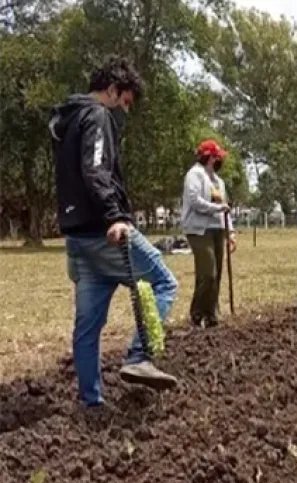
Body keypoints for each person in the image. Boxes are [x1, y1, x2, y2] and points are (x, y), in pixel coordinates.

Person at [49, 55, 178, 406]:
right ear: (112, 90)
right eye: (125, 102)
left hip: (77, 237)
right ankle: (139, 357)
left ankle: (91, 402)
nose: (125, 110)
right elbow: (95, 169)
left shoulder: (67, 119)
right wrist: (114, 216)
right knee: (165, 283)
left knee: (87, 328)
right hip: (106, 231)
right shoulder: (97, 115)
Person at [180, 139, 236, 328]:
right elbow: (195, 201)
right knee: (208, 274)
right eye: (218, 157)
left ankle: (211, 314)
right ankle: (197, 313)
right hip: (198, 230)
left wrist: (231, 232)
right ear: (210, 158)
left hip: (217, 229)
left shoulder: (218, 182)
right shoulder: (194, 175)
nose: (220, 161)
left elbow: (225, 209)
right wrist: (217, 208)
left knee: (216, 274)